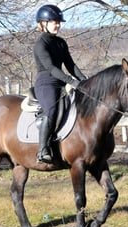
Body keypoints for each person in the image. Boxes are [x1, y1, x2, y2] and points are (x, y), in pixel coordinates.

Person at [34, 4, 87, 163]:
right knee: (52, 110)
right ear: (43, 23)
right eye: (53, 21)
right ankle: (43, 150)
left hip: (61, 82)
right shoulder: (41, 44)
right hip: (46, 83)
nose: (57, 24)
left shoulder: (61, 43)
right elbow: (50, 68)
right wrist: (71, 81)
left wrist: (85, 82)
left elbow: (70, 65)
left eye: (58, 22)